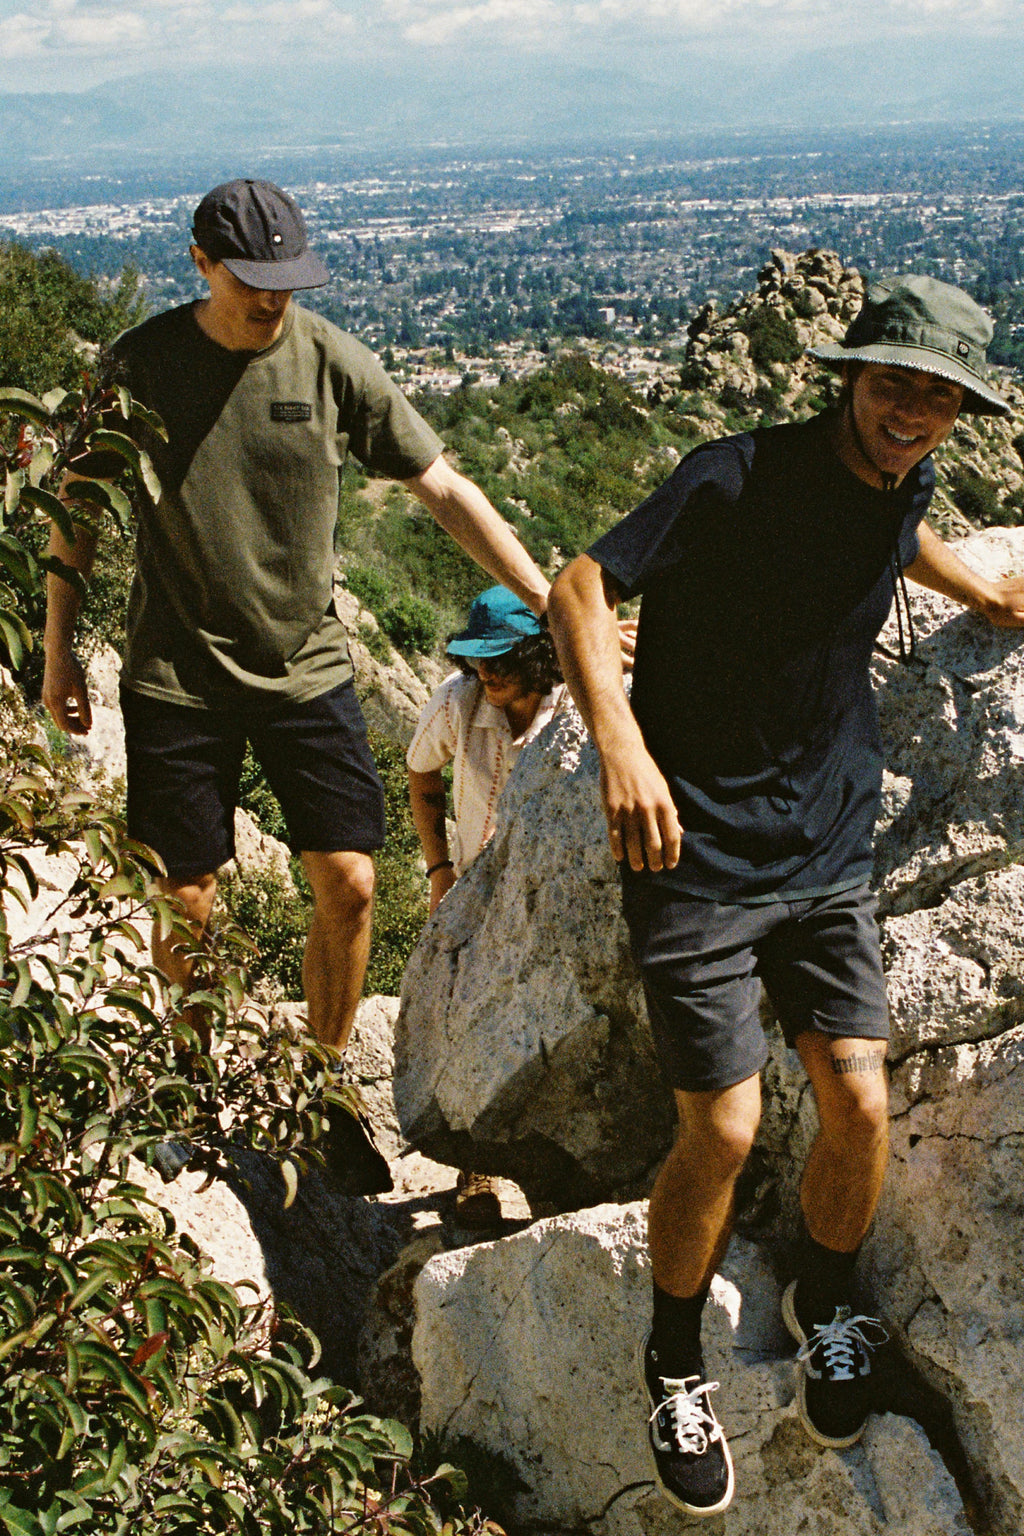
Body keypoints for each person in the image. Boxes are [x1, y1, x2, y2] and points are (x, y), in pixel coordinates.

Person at [547, 274, 1024, 1517]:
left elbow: (897, 532)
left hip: (824, 849)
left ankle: (826, 1295)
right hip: (694, 854)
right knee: (723, 1128)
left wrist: (978, 590)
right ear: (847, 377)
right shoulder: (734, 478)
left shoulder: (903, 475)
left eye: (937, 397)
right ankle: (670, 1358)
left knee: (859, 1104)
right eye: (892, 384)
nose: (910, 412)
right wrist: (618, 743)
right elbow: (580, 587)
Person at [41, 178, 549, 1190]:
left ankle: (320, 1089)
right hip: (177, 674)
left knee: (352, 882)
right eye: (251, 281)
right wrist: (58, 651)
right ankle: (186, 1086)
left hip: (304, 668)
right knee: (185, 896)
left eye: (288, 280)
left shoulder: (328, 360)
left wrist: (550, 597)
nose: (273, 299)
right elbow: (76, 509)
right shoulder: (140, 365)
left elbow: (441, 485)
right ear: (201, 264)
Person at [406, 586, 567, 1224]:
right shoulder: (459, 701)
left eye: (502, 658)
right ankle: (477, 1170)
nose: (487, 672)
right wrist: (439, 869)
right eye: (478, 658)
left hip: (551, 890)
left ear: (537, 654)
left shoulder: (571, 708)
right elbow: (420, 771)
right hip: (478, 888)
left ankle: (556, 1177)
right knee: (472, 1023)